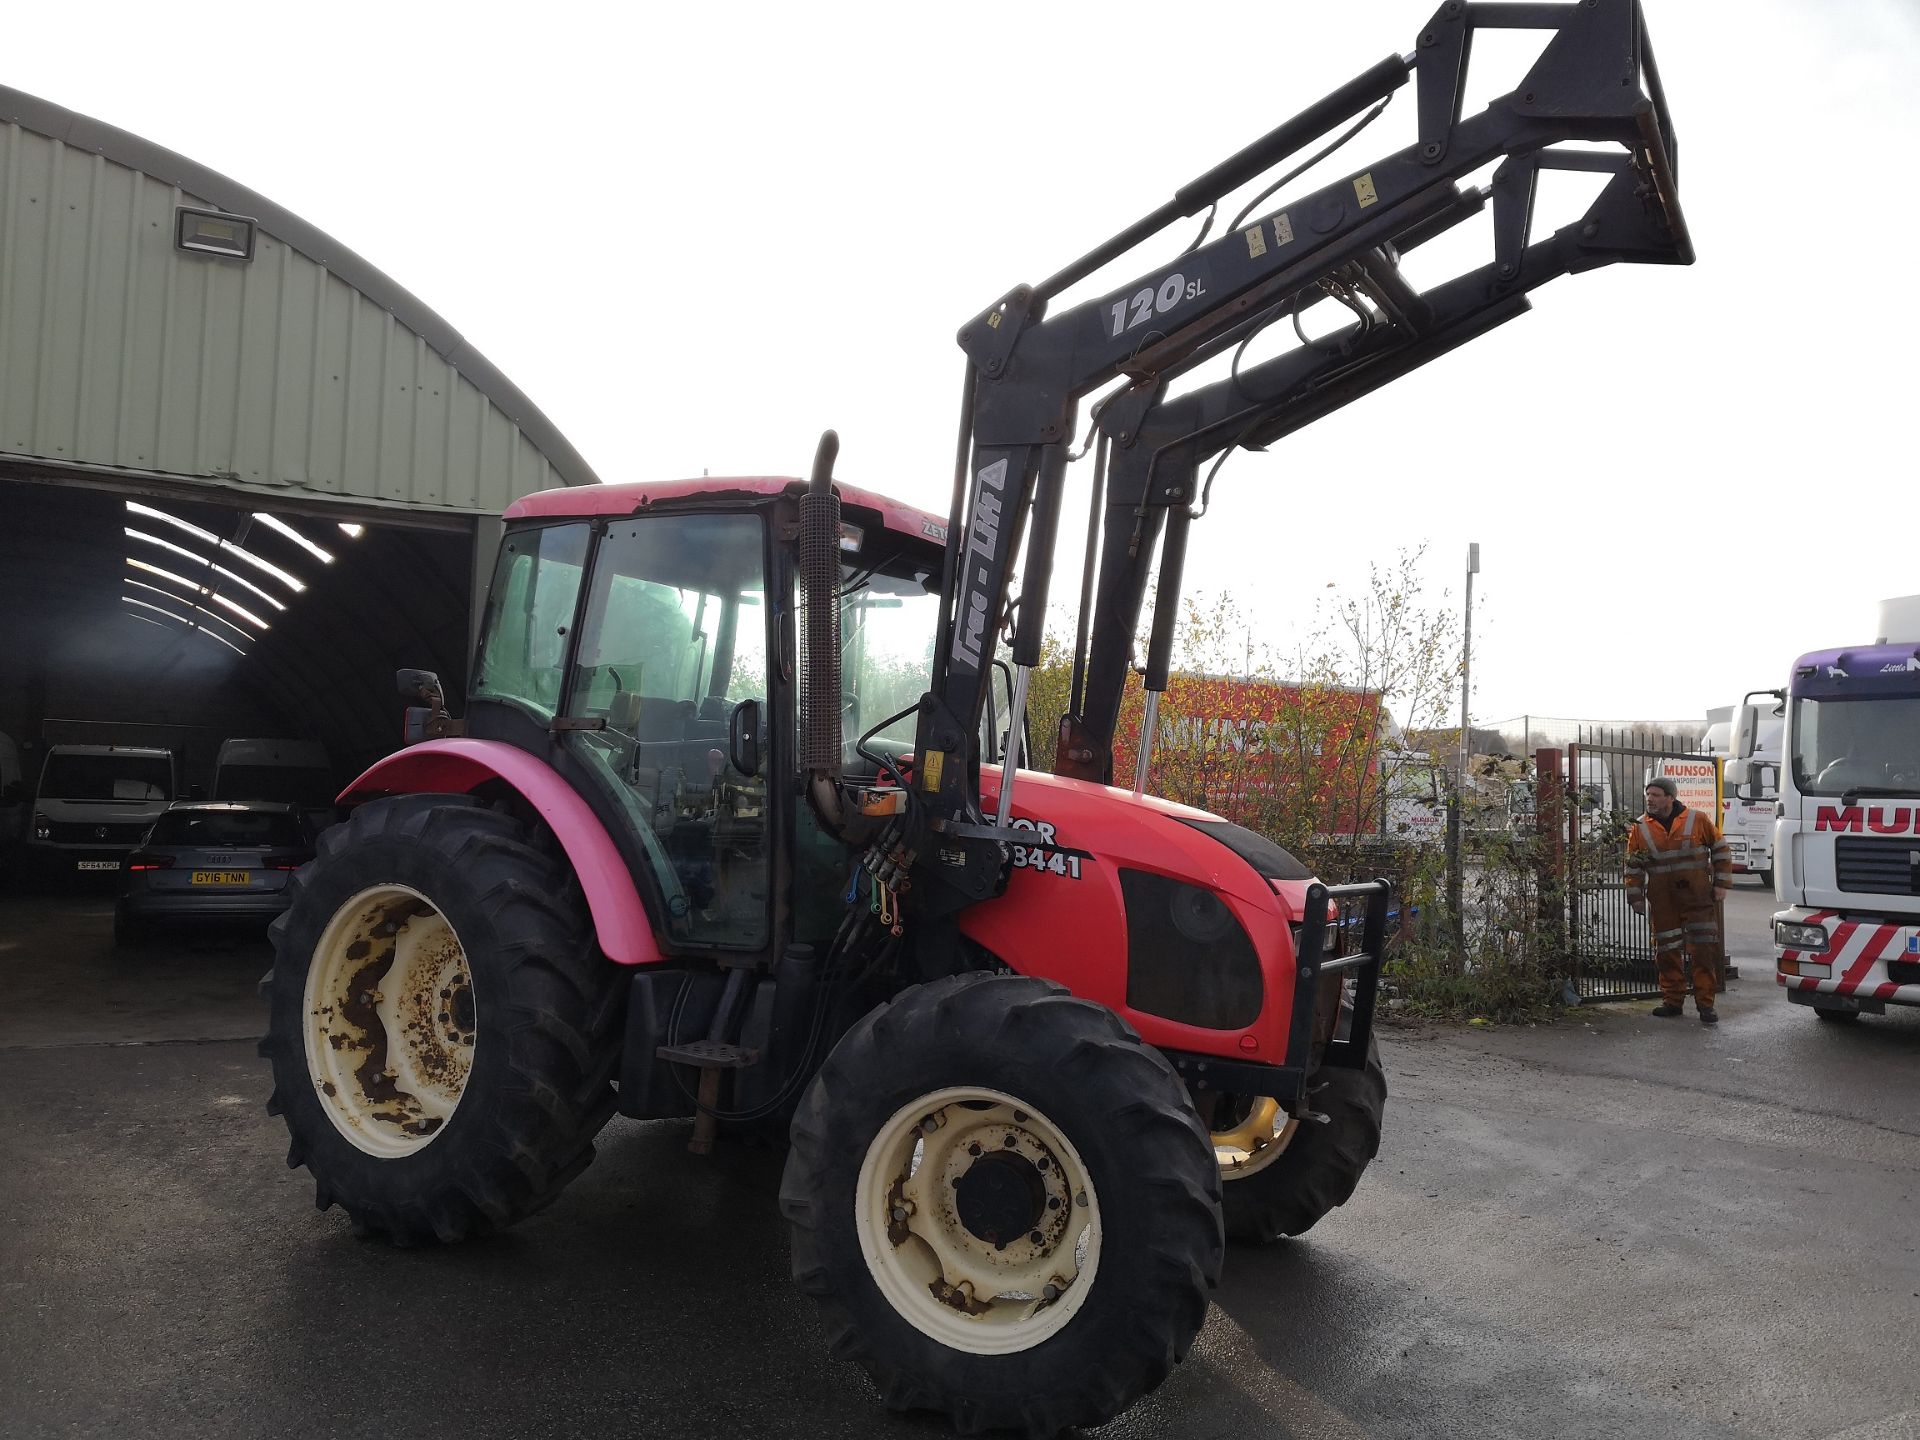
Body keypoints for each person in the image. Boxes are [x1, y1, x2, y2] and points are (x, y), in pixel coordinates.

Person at [1625, 776, 1732, 1022]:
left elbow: (1720, 849)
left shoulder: (1697, 820)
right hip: (1663, 901)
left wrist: (1721, 885)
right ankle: (1673, 1001)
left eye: (1655, 794)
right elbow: (1633, 866)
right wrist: (1635, 897)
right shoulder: (1640, 828)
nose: (1650, 799)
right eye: (1648, 794)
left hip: (1697, 897)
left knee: (1703, 950)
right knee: (1666, 951)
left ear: (1670, 798)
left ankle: (1706, 1004)